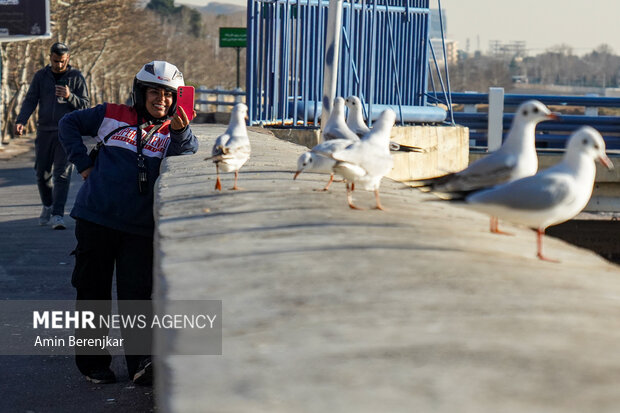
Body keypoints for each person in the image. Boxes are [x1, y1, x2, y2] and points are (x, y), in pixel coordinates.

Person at [58, 61, 199, 385]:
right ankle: (94, 365)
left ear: (176, 98)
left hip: (139, 229)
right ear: (140, 93)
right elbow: (68, 123)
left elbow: (185, 161)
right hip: (96, 219)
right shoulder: (112, 114)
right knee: (92, 291)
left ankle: (141, 363)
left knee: (138, 296)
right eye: (153, 92)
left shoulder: (174, 132)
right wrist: (82, 163)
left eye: (167, 94)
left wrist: (179, 131)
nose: (160, 100)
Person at [14, 42, 90, 230]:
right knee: (42, 173)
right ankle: (48, 205)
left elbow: (86, 106)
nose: (58, 65)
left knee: (62, 175)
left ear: (68, 59)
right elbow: (31, 99)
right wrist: (21, 120)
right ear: (50, 58)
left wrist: (70, 96)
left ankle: (57, 214)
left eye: (62, 61)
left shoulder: (76, 77)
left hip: (67, 134)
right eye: (56, 61)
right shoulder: (41, 76)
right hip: (44, 131)